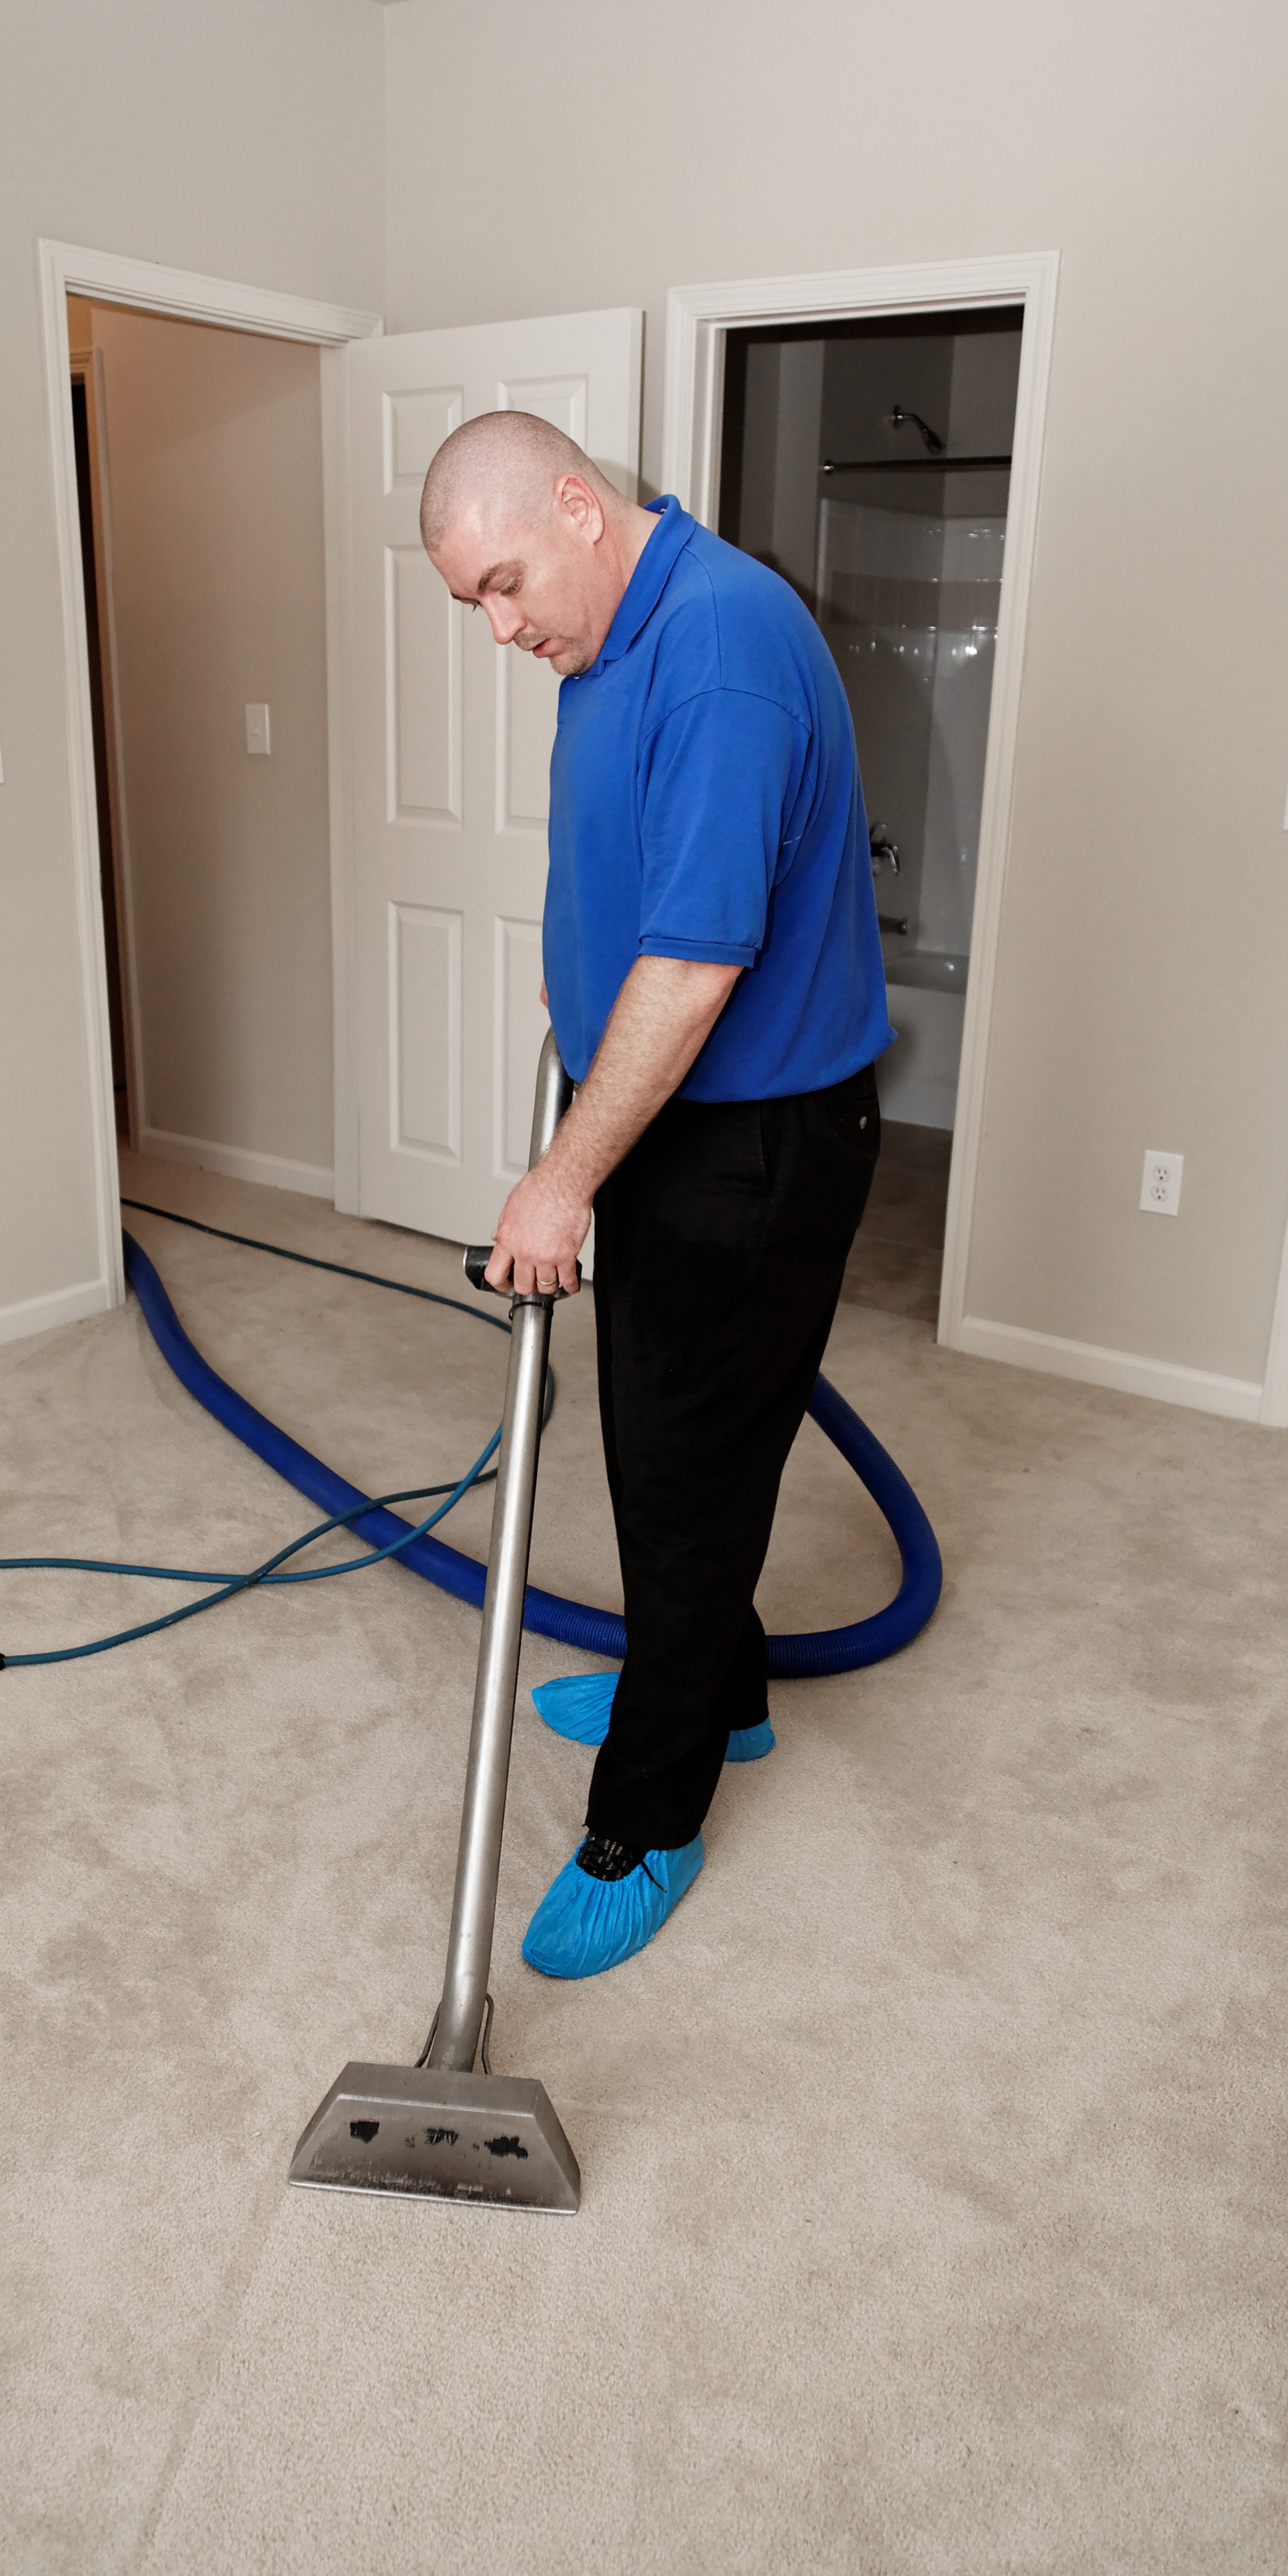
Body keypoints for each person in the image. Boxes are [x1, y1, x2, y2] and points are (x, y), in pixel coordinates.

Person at [419, 412, 890, 1980]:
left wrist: (558, 1180)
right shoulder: (609, 637)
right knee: (674, 1446)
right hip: (660, 1119)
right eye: (469, 603)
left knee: (684, 1478)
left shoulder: (722, 649)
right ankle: (721, 1689)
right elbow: (627, 893)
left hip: (747, 1142)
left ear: (575, 505)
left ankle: (648, 1811)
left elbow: (694, 966)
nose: (499, 629)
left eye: (500, 584)